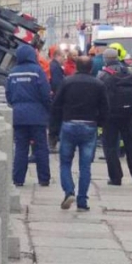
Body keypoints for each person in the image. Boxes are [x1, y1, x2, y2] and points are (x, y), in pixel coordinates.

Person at [51, 56, 109, 211]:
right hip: (89, 125)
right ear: (91, 68)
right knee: (85, 166)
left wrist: (54, 130)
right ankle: (82, 201)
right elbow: (105, 108)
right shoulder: (99, 84)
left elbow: (56, 105)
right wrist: (100, 124)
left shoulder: (67, 82)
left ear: (76, 67)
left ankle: (69, 191)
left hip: (69, 124)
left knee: (65, 162)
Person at [6, 43, 51, 187]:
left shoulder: (13, 72)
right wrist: (48, 109)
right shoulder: (37, 71)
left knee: (21, 148)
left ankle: (18, 179)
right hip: (37, 115)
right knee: (41, 148)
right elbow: (45, 93)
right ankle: (44, 179)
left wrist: (16, 104)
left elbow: (8, 94)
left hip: (18, 115)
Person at [98, 49, 132, 186]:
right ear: (117, 58)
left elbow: (100, 97)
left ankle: (116, 178)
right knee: (131, 145)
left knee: (110, 147)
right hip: (129, 114)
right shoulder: (129, 72)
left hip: (111, 116)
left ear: (105, 59)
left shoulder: (103, 75)